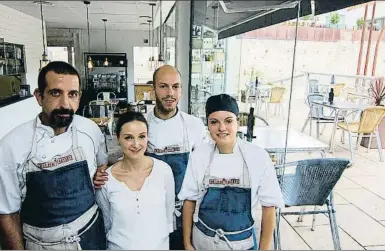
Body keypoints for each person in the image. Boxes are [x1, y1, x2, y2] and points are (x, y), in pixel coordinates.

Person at [0, 61, 108, 250]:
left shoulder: (90, 130)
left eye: (72, 94)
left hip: (92, 237)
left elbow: (102, 166)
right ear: (39, 97)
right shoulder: (11, 147)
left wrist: (101, 172)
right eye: (55, 93)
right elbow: (7, 215)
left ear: (79, 97)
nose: (65, 104)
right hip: (43, 245)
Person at [94, 65, 207, 250]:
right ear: (152, 90)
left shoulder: (194, 126)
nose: (170, 93)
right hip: (151, 214)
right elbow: (130, 156)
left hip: (187, 212)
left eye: (176, 86)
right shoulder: (141, 124)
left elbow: (203, 170)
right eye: (163, 86)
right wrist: (102, 171)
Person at [178, 94, 284, 250]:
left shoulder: (257, 156)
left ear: (238, 123)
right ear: (207, 125)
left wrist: (264, 248)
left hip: (241, 243)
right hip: (203, 240)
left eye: (228, 121)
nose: (221, 128)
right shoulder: (199, 156)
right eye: (214, 122)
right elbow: (189, 201)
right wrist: (187, 243)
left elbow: (269, 207)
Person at [96, 111, 175, 250]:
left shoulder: (164, 171)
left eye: (142, 136)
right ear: (118, 138)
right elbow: (107, 224)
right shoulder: (106, 179)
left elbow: (169, 218)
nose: (136, 144)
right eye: (129, 138)